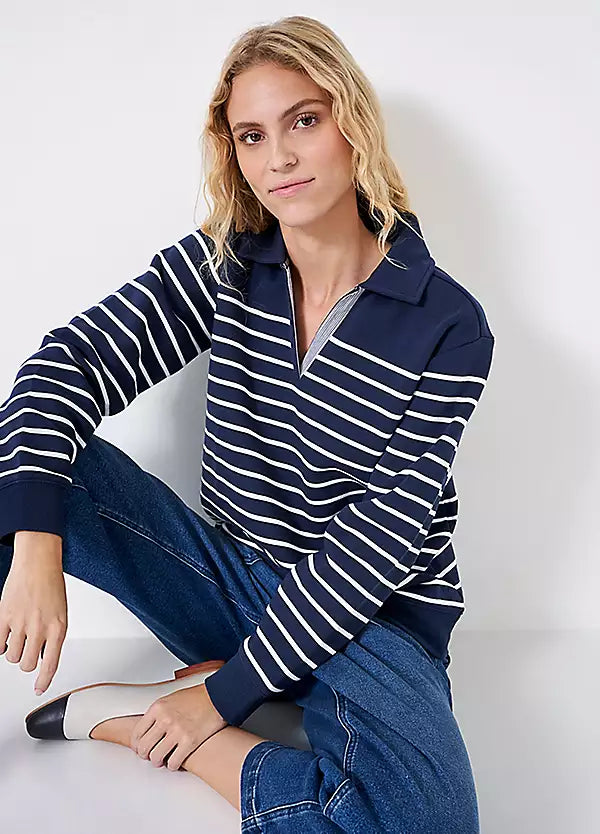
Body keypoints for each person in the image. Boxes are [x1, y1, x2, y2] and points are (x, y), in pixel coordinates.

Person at [0, 14, 495, 833]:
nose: (280, 159)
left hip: (371, 625)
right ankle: (277, 712)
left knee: (430, 820)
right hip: (230, 589)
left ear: (352, 122)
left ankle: (164, 723)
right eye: (252, 136)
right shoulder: (227, 261)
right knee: (22, 459)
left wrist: (215, 707)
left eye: (304, 120)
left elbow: (377, 544)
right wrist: (36, 547)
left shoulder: (447, 323)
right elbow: (64, 365)